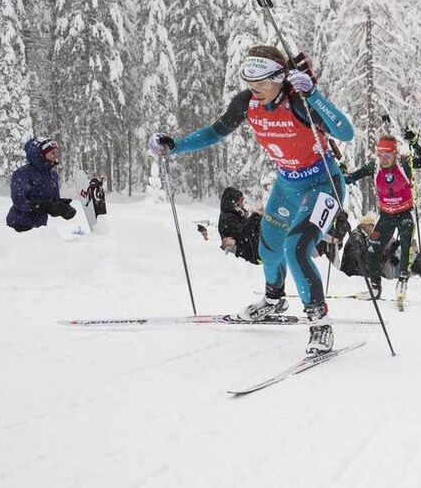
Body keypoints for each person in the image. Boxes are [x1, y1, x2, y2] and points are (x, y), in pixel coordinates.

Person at [148, 45, 353, 354]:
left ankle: (319, 323)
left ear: (280, 78)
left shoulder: (299, 101)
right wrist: (175, 145)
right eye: (250, 85)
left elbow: (346, 132)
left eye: (261, 85)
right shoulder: (247, 103)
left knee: (296, 248)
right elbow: (215, 132)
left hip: (323, 184)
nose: (254, 91)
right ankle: (274, 300)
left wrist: (314, 95)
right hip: (287, 184)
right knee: (269, 247)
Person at [345, 131, 421, 305]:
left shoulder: (405, 164)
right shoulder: (374, 166)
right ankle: (375, 287)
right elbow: (351, 177)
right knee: (372, 250)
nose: (384, 158)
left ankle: (402, 282)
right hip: (386, 215)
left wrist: (414, 143)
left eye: (388, 155)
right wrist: (341, 173)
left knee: (406, 246)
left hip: (404, 213)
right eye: (381, 154)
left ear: (395, 154)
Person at [6, 138, 76, 232]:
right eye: (52, 153)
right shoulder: (23, 173)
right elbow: (20, 202)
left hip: (40, 228)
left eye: (57, 153)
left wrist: (62, 208)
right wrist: (45, 206)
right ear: (42, 154)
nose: (55, 156)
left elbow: (51, 201)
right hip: (19, 225)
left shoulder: (52, 175)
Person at [218, 186, 262, 264]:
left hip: (253, 257)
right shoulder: (227, 219)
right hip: (243, 264)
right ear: (233, 202)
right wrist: (255, 215)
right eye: (241, 200)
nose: (243, 203)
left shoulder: (238, 215)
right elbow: (243, 232)